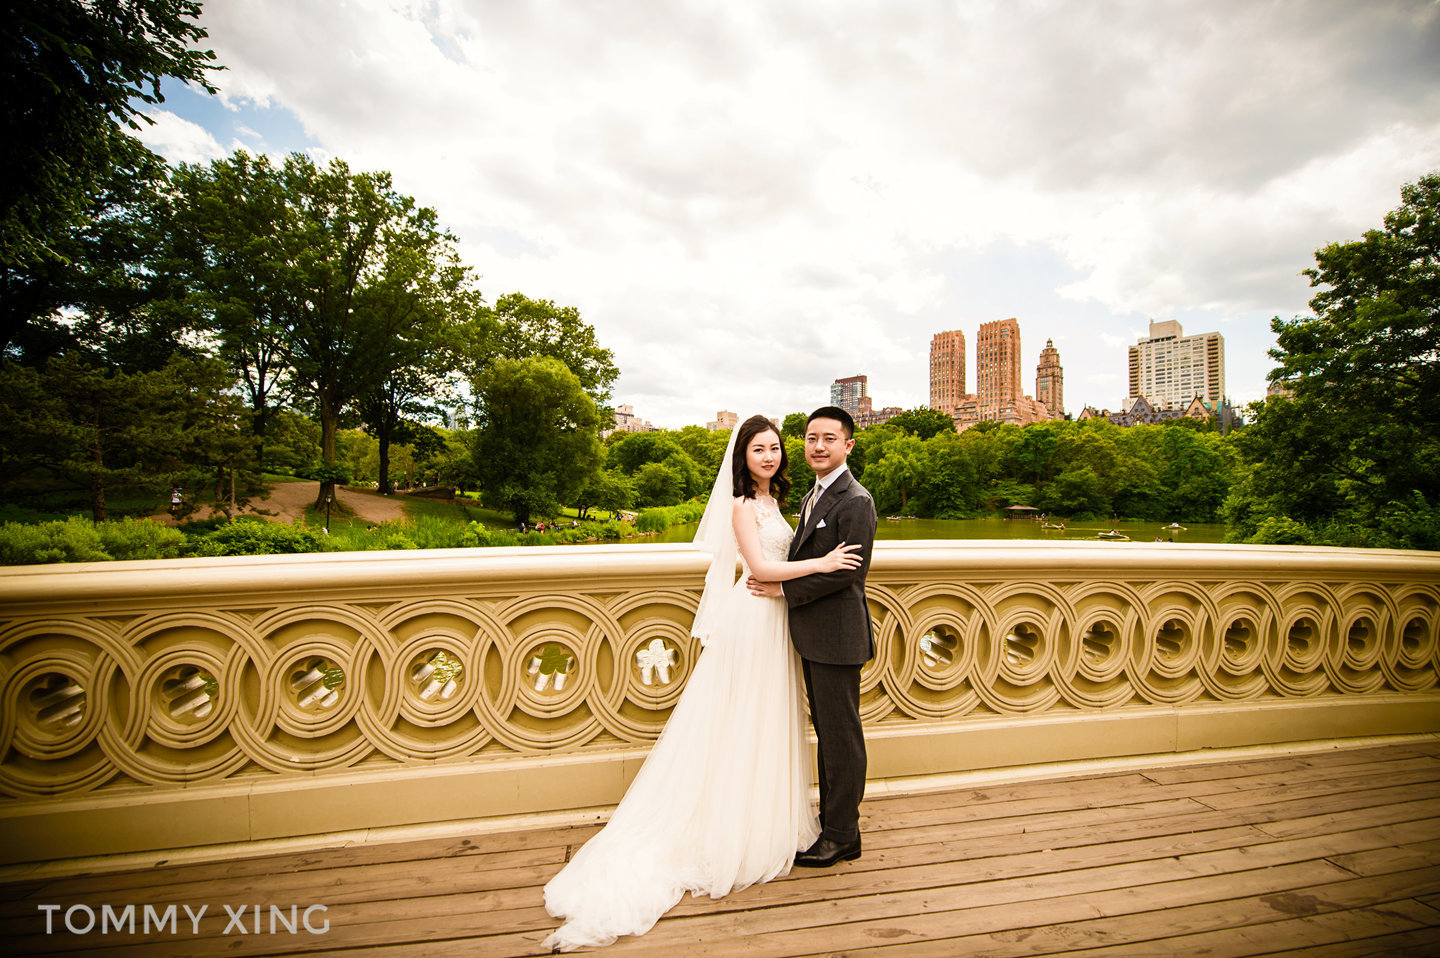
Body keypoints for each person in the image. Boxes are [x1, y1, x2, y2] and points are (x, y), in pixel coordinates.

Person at [541, 415, 863, 951]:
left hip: (780, 622)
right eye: (759, 449)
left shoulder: (784, 502)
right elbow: (759, 566)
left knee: (768, 719)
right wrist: (823, 562)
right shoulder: (741, 506)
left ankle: (769, 819)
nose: (770, 456)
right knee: (740, 719)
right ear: (742, 457)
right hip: (756, 619)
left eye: (775, 448)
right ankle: (731, 824)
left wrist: (812, 570)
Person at [748, 405, 877, 868]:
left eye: (828, 438)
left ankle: (843, 834)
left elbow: (848, 572)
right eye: (810, 438)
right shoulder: (813, 493)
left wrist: (781, 588)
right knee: (829, 732)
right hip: (812, 634)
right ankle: (833, 824)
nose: (817, 446)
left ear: (848, 445)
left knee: (841, 736)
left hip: (838, 636)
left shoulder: (855, 500)